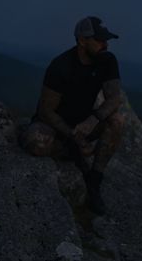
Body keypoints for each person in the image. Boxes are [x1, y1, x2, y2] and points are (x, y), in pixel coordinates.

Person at [20, 16, 125, 215]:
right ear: (82, 40)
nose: (105, 44)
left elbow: (114, 99)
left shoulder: (107, 60)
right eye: (100, 39)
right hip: (57, 126)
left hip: (85, 123)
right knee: (35, 141)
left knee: (117, 121)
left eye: (106, 39)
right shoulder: (61, 66)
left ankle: (94, 180)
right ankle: (73, 152)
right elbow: (46, 111)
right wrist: (73, 136)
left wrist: (93, 119)